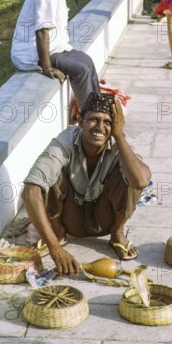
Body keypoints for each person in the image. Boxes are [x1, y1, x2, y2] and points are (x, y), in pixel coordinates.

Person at [22, 92, 151, 275]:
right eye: (93, 119)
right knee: (47, 175)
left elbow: (141, 181)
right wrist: (54, 248)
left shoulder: (118, 144)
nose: (100, 127)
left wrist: (119, 135)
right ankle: (58, 234)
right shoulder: (64, 142)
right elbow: (29, 191)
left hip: (103, 219)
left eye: (107, 122)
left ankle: (117, 233)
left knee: (131, 175)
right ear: (80, 120)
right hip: (68, 218)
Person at [11, 0, 99, 109]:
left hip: (56, 47)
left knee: (87, 61)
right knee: (81, 70)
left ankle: (98, 110)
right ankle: (90, 120)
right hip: (33, 53)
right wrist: (47, 67)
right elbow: (42, 32)